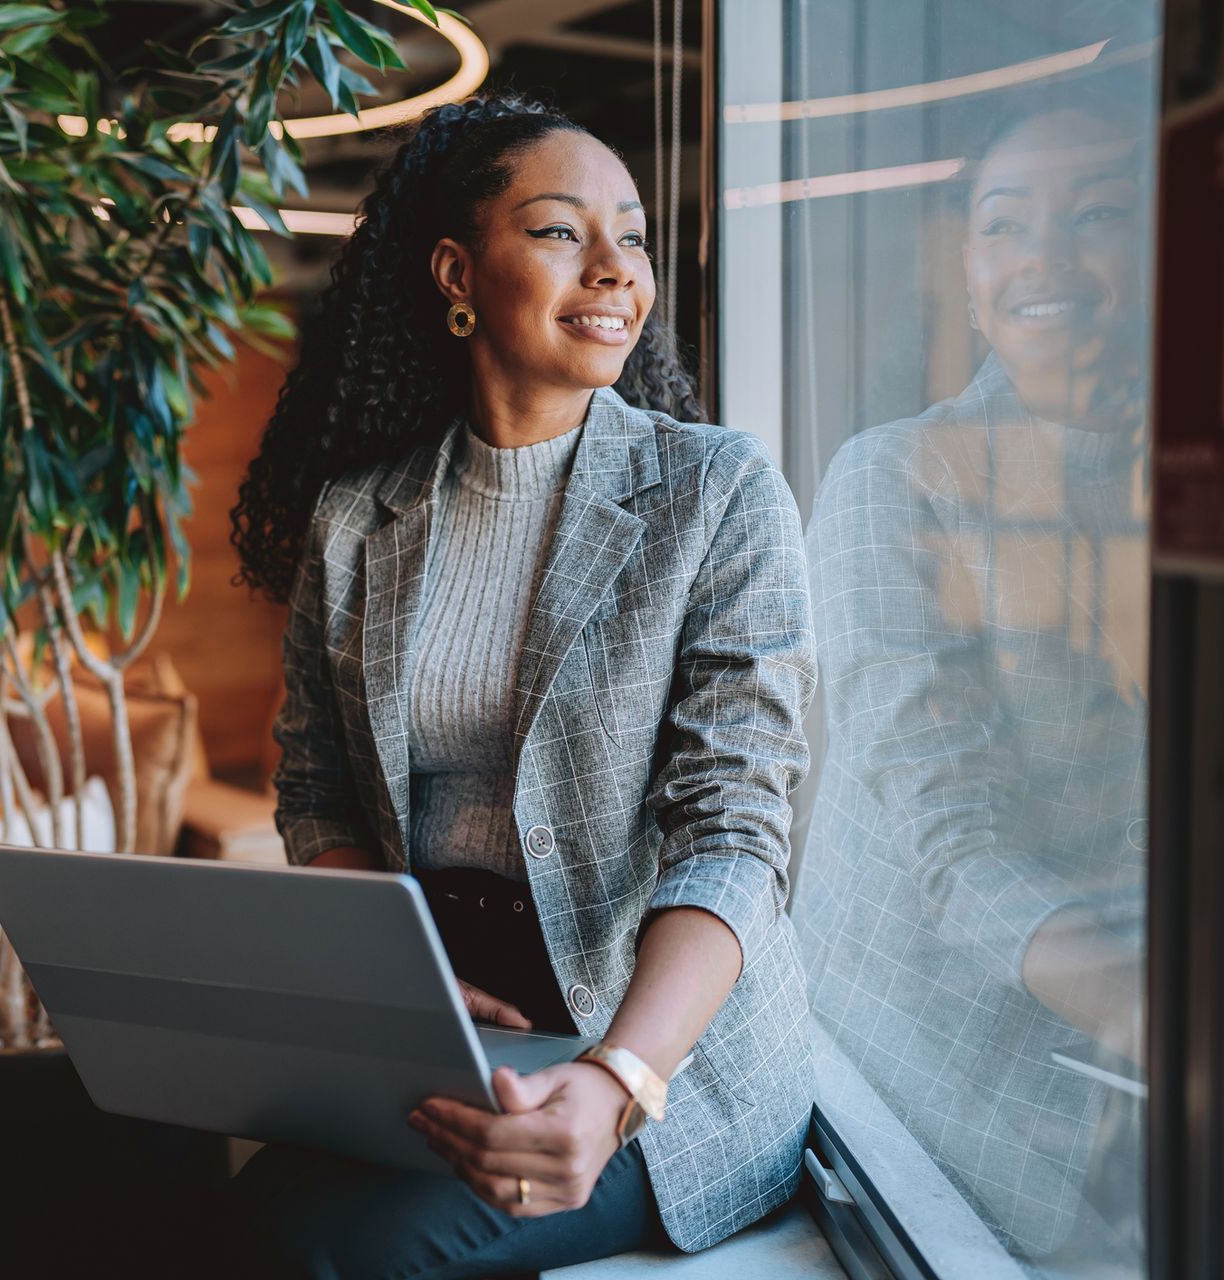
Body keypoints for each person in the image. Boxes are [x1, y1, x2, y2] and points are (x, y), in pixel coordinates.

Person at [225, 92, 817, 1278]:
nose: (614, 269)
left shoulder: (717, 493)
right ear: (458, 270)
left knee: (347, 1253)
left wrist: (615, 1081)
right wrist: (408, 981)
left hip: (657, 1052)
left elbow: (736, 830)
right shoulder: (360, 517)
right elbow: (321, 789)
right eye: (560, 232)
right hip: (440, 1022)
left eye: (634, 236)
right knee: (237, 1220)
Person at [796, 88, 1150, 1267]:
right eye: (1005, 223)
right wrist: (1159, 1012)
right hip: (928, 1084)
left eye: (1098, 214)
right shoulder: (895, 477)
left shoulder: (1181, 484)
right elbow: (956, 845)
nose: (1044, 256)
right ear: (965, 274)